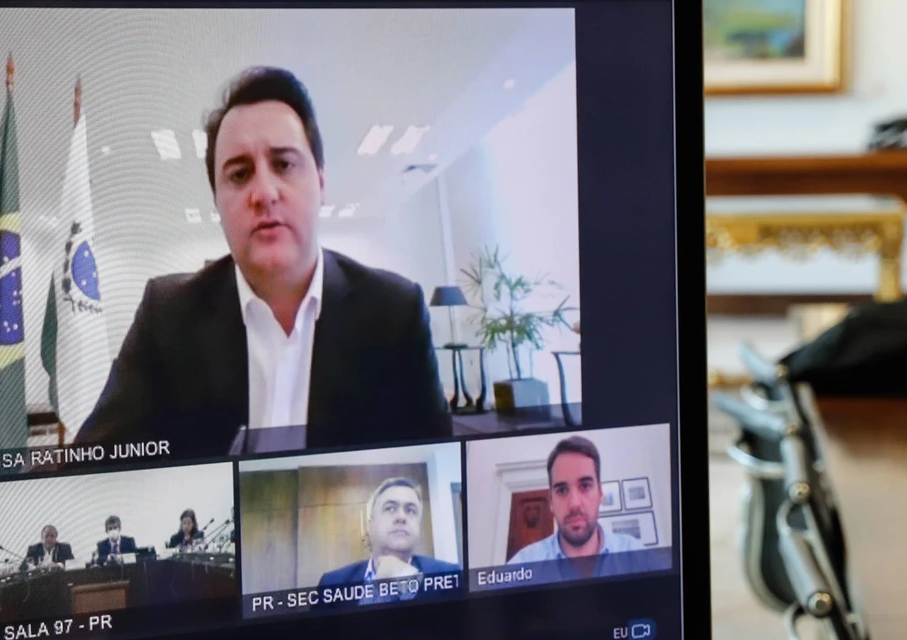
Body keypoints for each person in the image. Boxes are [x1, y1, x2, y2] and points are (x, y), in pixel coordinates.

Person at [75, 66, 451, 457]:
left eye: (284, 164)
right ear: (217, 202)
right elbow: (92, 464)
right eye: (240, 175)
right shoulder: (168, 316)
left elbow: (439, 465)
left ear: (321, 182)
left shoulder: (394, 313)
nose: (264, 193)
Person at [506, 435, 665, 579]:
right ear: (551, 502)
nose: (574, 503)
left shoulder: (636, 556)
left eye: (585, 486)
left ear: (600, 493)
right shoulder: (523, 565)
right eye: (562, 490)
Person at [315, 478, 460, 609]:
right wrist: (379, 590)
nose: (401, 517)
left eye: (411, 511)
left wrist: (408, 583)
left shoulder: (450, 576)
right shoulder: (331, 583)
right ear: (370, 526)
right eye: (390, 508)